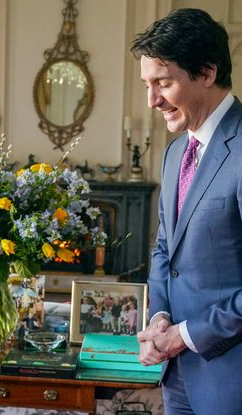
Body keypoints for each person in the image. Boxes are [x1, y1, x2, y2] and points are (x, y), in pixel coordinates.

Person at [131, 8, 242, 414]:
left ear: (207, 73)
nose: (152, 100)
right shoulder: (177, 152)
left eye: (163, 82)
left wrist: (186, 334)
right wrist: (160, 316)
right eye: (147, 84)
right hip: (177, 376)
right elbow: (164, 249)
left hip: (232, 380)